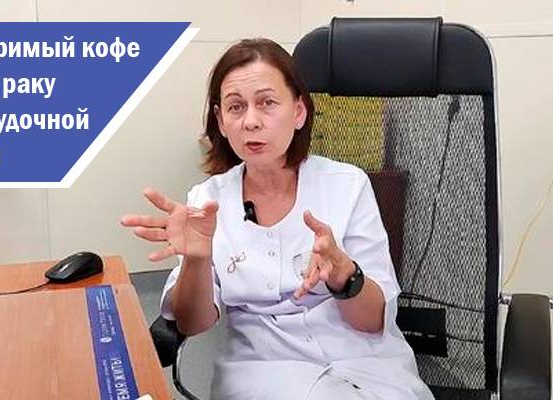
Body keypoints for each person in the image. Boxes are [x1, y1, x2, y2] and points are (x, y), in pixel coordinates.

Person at [121, 38, 433, 400]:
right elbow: (192, 323)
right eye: (236, 107)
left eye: (267, 103)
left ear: (299, 112)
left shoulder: (348, 185)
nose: (251, 121)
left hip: (367, 366)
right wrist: (197, 260)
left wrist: (344, 276)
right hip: (262, 371)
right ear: (221, 122)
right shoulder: (206, 202)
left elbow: (371, 321)